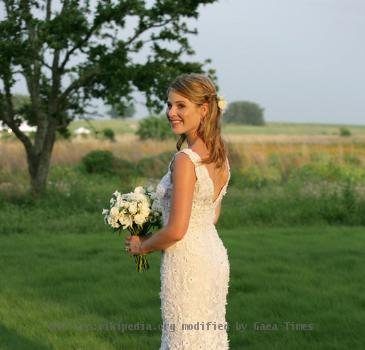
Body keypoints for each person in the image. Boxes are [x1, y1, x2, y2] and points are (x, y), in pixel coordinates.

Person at [125, 73, 231, 349]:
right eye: (169, 105)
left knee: (183, 340)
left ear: (204, 109)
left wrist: (142, 245)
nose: (171, 112)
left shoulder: (186, 160)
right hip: (213, 256)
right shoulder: (219, 155)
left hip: (187, 262)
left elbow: (176, 230)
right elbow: (212, 216)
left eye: (180, 105)